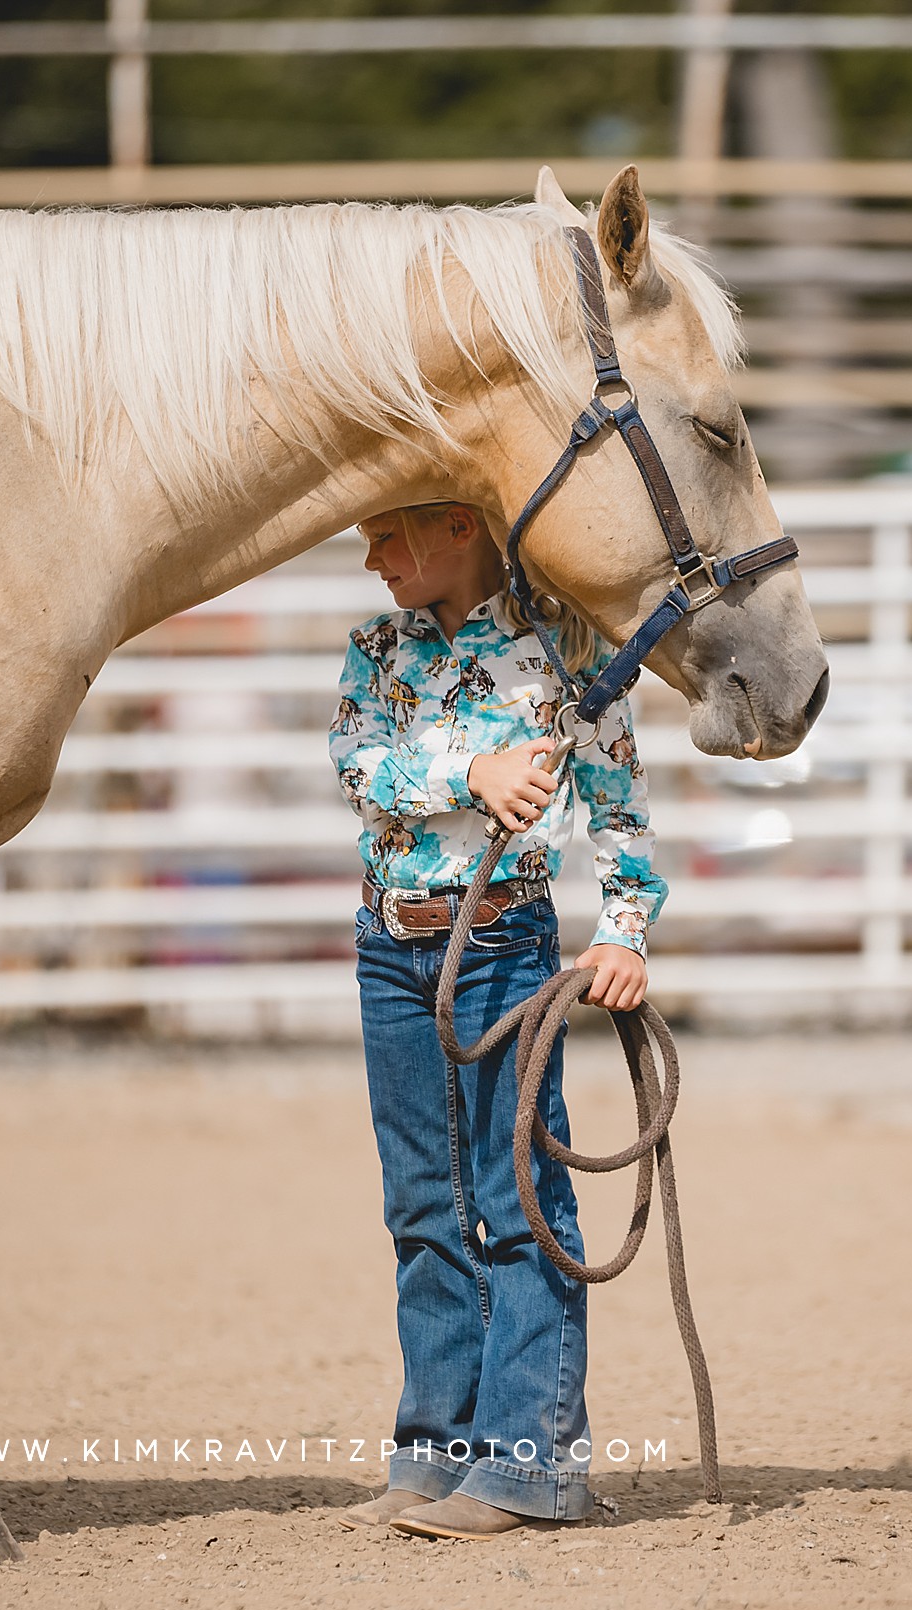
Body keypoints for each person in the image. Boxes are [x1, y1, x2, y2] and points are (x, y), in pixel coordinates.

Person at [330, 500, 668, 1540]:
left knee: (515, 1192)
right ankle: (436, 1444)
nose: (375, 557)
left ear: (461, 526)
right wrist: (468, 772)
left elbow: (618, 808)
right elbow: (353, 766)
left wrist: (622, 933)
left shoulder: (569, 653)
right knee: (424, 1201)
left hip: (502, 945)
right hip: (393, 945)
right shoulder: (377, 647)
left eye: (390, 535)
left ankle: (530, 1459)